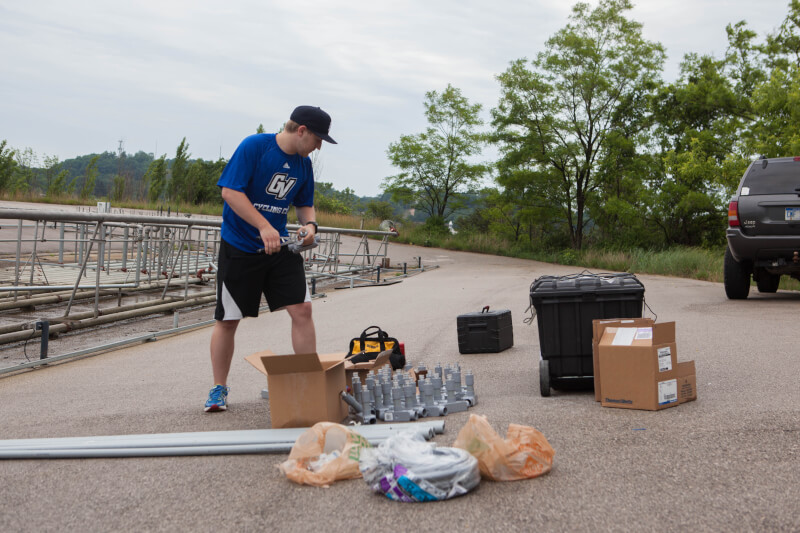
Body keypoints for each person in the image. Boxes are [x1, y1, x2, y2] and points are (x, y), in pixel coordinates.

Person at [204, 105, 337, 412]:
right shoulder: (256, 146)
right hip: (240, 246)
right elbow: (230, 192)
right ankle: (218, 389)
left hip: (280, 247)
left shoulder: (303, 166)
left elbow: (305, 204)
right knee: (228, 320)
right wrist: (262, 225)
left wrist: (310, 226)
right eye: (318, 140)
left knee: (302, 310)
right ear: (301, 130)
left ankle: (308, 381)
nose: (319, 147)